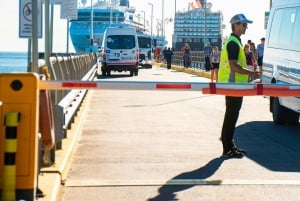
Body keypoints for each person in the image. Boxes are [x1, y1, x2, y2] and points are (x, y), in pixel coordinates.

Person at [218, 14, 260, 158]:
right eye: (243, 24)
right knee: (231, 116)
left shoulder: (235, 42)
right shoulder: (233, 43)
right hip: (233, 85)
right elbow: (234, 66)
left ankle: (229, 145)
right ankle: (227, 147)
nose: (246, 27)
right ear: (236, 25)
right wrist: (251, 74)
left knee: (232, 115)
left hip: (234, 85)